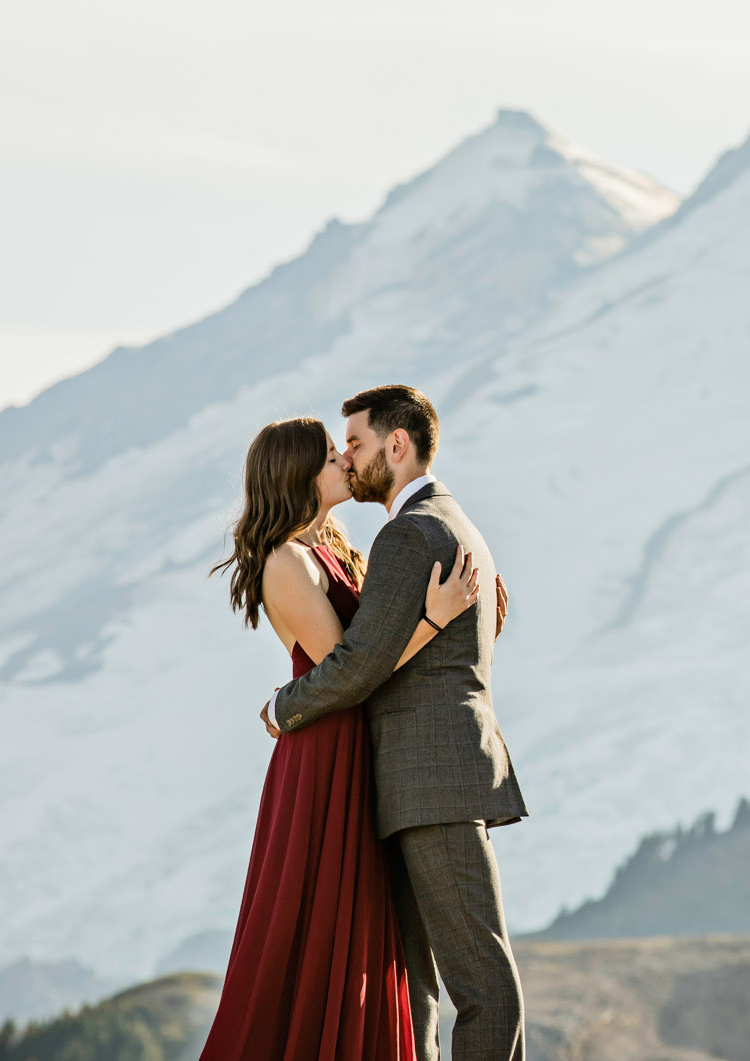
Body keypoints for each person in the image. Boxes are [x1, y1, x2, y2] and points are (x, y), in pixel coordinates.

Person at [200, 415, 482, 1061]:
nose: (346, 462)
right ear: (299, 473)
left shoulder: (330, 545)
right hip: (324, 760)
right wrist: (435, 619)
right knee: (316, 935)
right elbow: (352, 670)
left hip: (355, 749)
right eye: (332, 456)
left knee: (365, 937)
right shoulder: (285, 561)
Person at [263, 385, 530, 1061]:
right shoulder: (450, 519)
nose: (349, 459)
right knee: (414, 994)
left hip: (430, 780)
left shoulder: (411, 532)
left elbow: (360, 663)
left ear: (397, 444)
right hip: (416, 781)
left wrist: (281, 708)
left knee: (478, 983)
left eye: (354, 442)